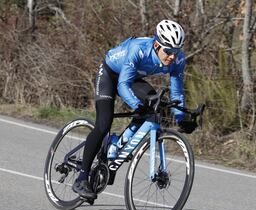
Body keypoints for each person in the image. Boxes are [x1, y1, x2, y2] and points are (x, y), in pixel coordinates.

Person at [72, 19, 197, 199]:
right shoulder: (139, 49)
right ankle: (81, 178)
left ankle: (119, 145)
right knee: (104, 123)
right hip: (111, 74)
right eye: (168, 51)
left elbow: (177, 93)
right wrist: (135, 105)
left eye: (176, 52)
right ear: (156, 45)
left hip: (133, 78)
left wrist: (181, 118)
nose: (172, 56)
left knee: (152, 102)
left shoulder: (178, 61)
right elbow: (123, 85)